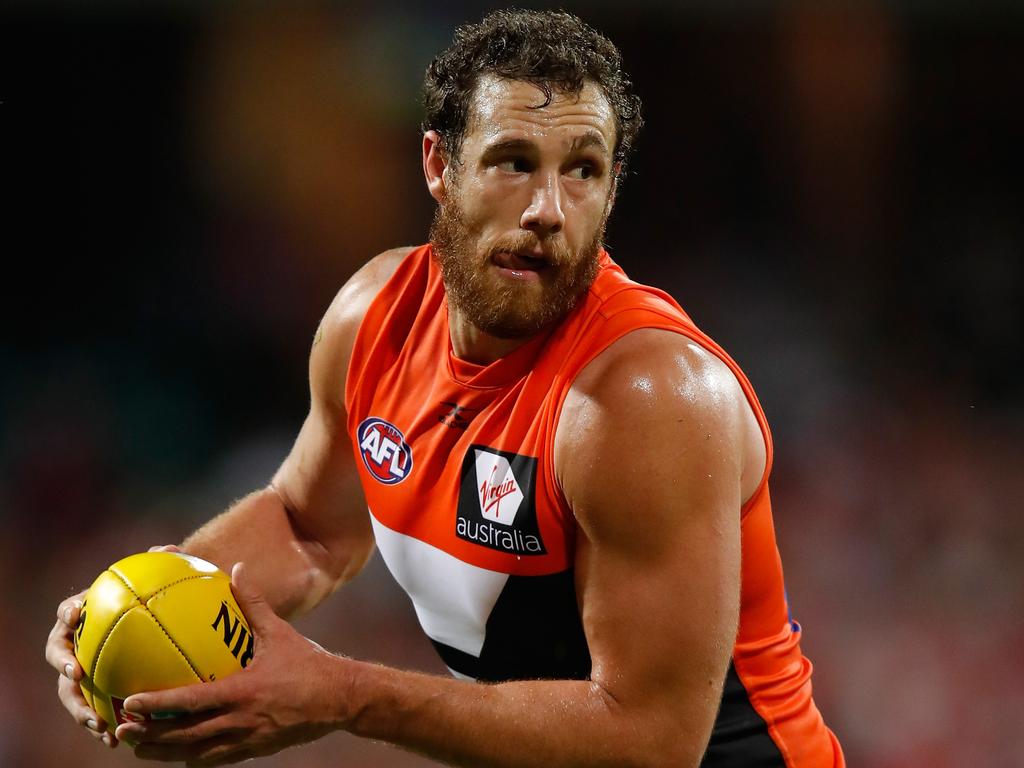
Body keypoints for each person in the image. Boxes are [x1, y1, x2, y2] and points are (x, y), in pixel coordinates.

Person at [46, 9, 845, 766]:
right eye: (514, 162)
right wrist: (135, 606)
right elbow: (308, 526)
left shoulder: (643, 398)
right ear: (438, 164)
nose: (547, 210)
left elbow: (651, 741)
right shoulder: (374, 317)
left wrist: (345, 694)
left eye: (584, 171)